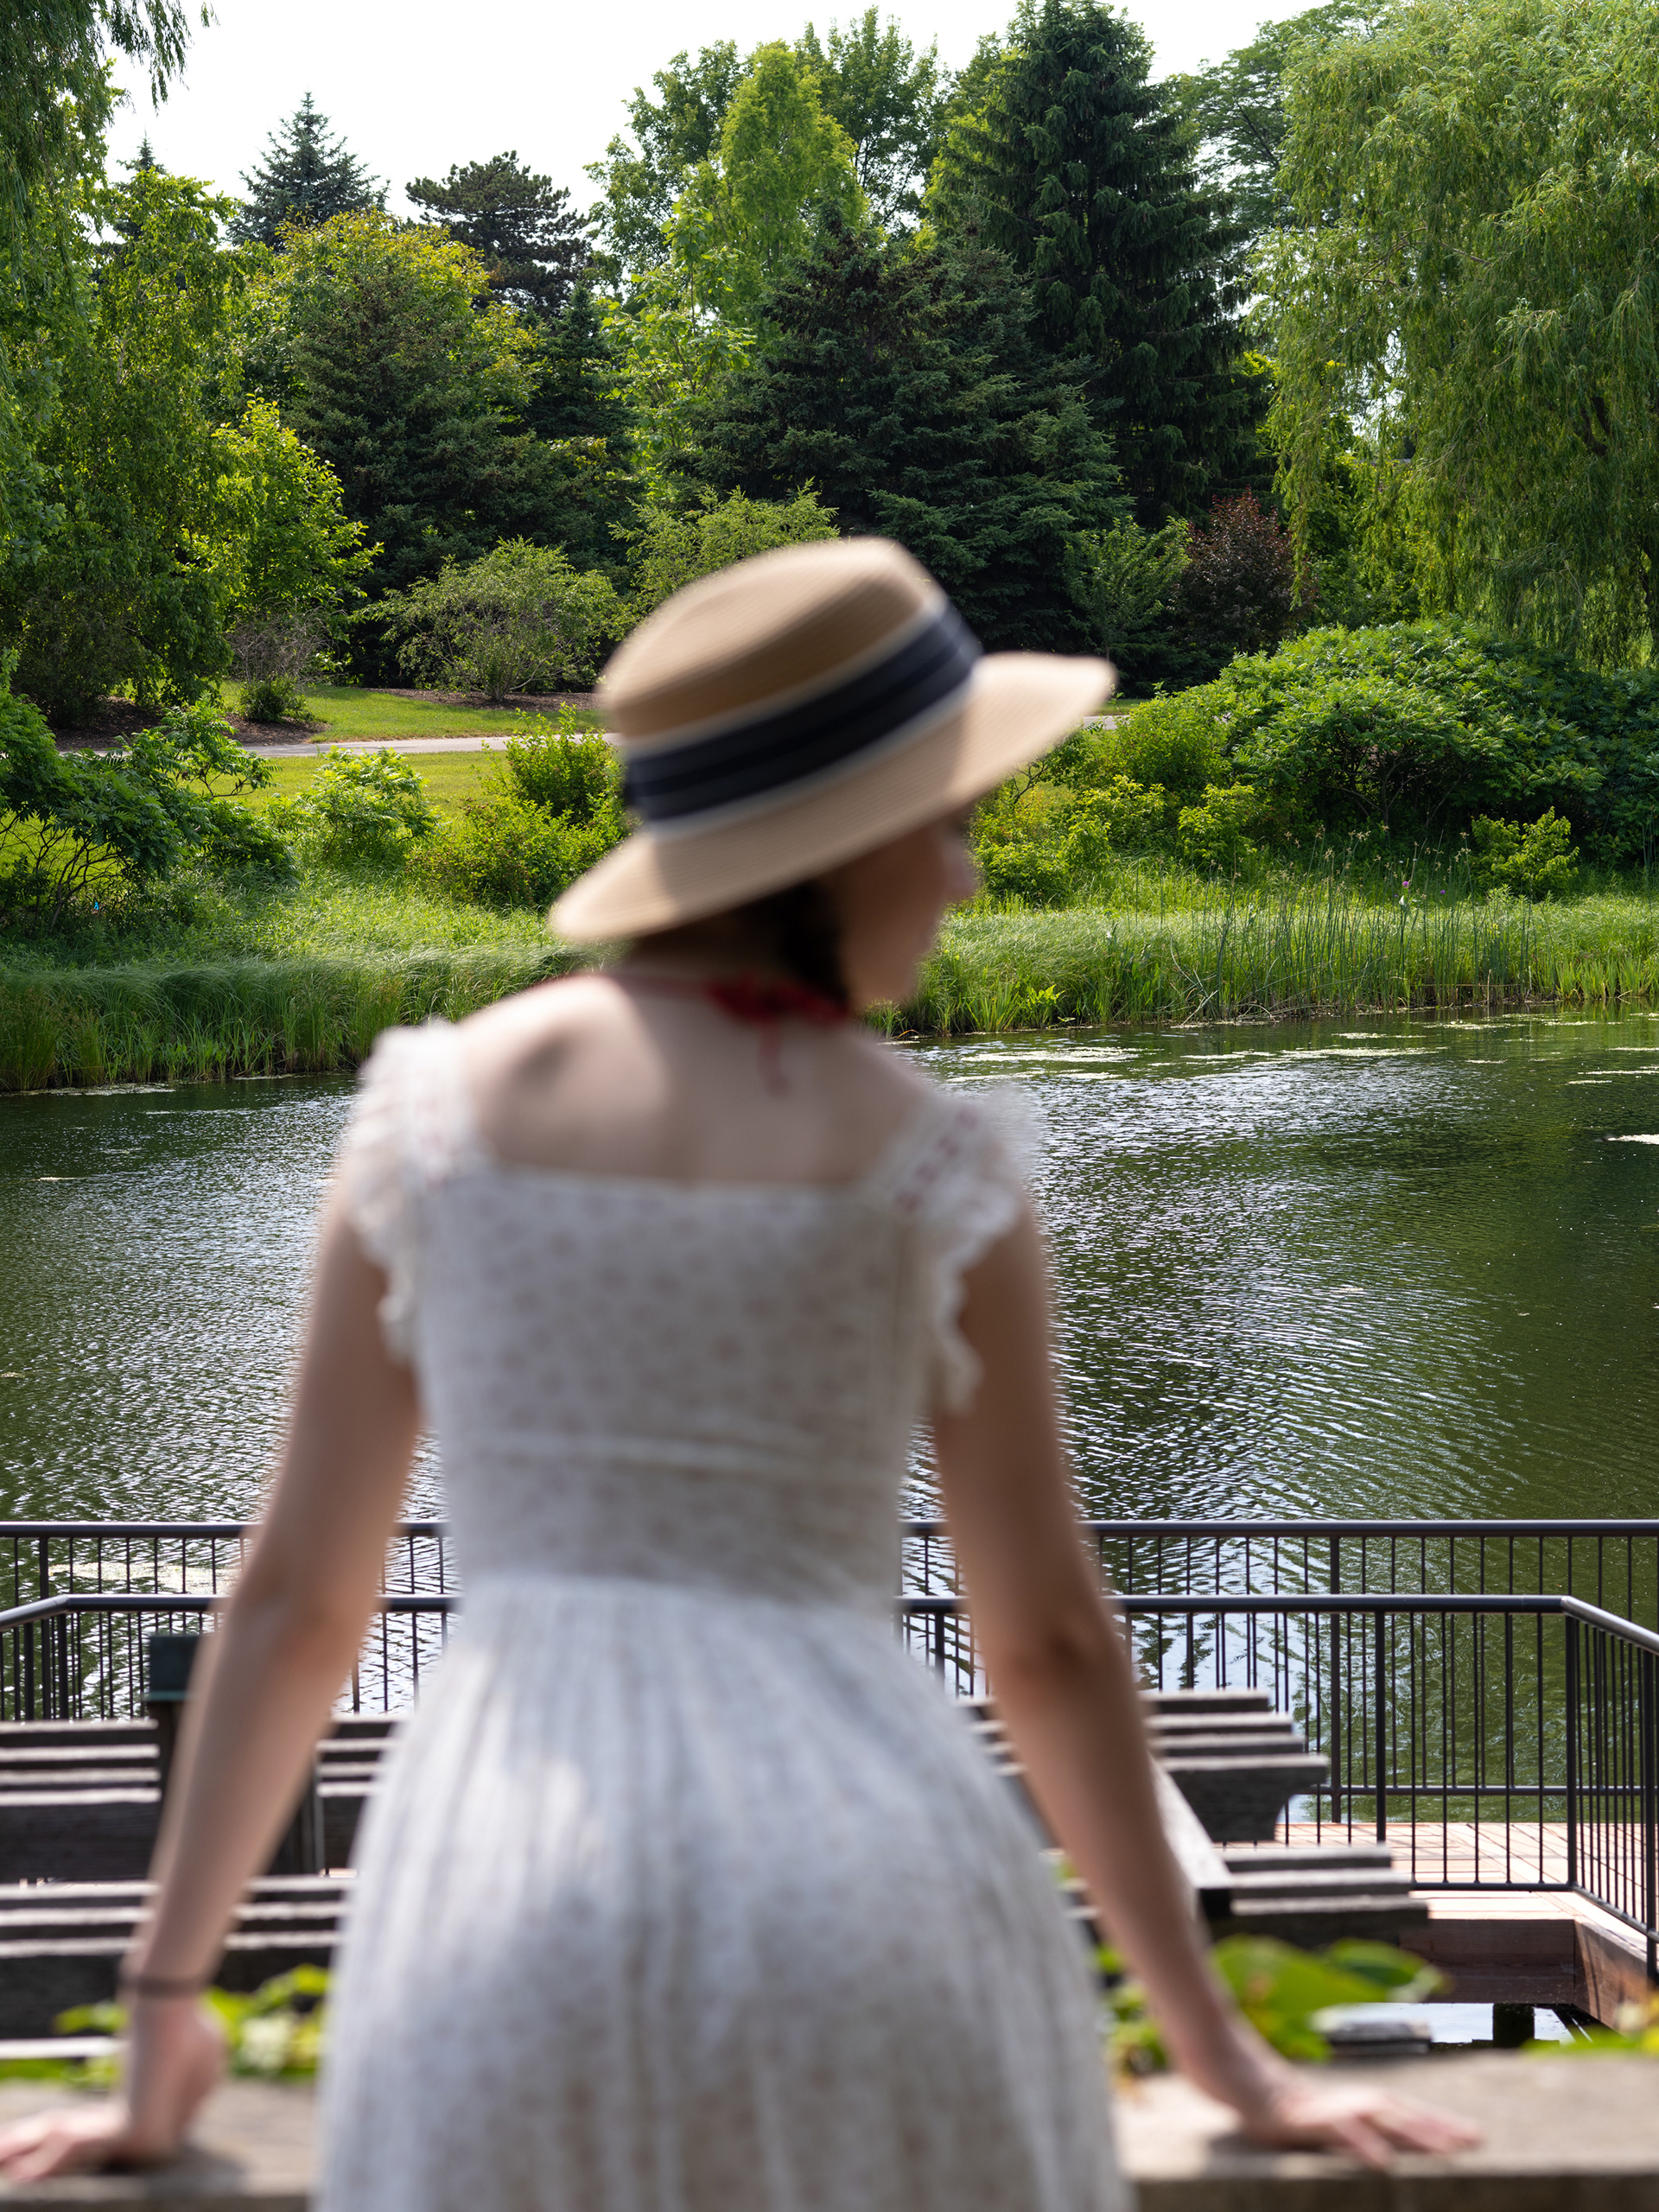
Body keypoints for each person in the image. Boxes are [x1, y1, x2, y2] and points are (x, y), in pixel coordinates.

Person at [0, 539, 1478, 2205]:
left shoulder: (432, 1125)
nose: (965, 877)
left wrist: (162, 2009)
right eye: (947, 822)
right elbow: (1051, 1646)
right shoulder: (935, 1167)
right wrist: (1222, 2051)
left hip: (504, 1890)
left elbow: (293, 1606)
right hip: (876, 1890)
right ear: (841, 842)